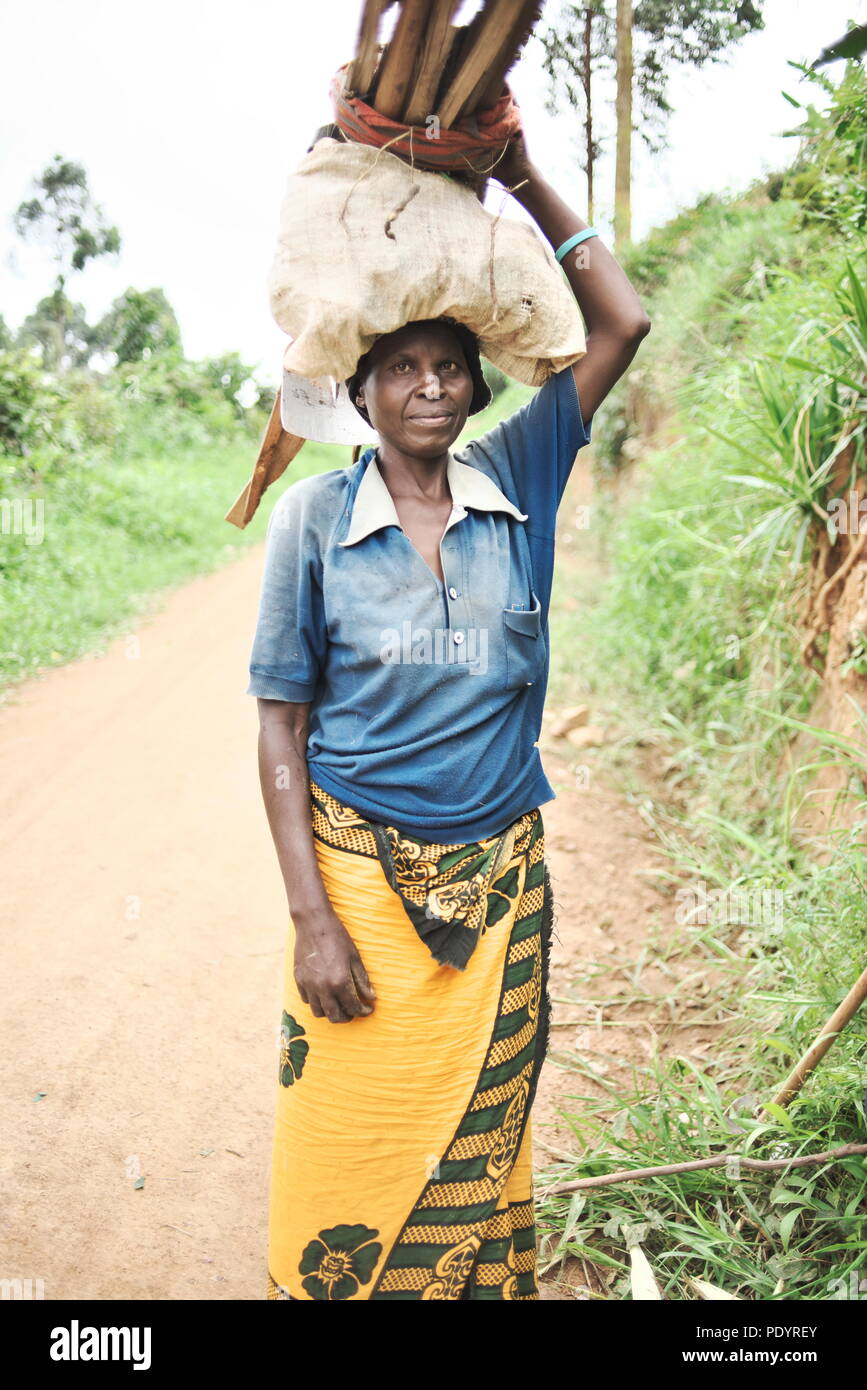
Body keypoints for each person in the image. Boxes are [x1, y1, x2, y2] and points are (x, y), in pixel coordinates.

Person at [247, 123, 650, 1301]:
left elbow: (619, 321)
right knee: (347, 1143)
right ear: (361, 392)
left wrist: (518, 168)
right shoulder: (313, 526)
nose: (431, 386)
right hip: (361, 893)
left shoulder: (519, 475)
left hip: (502, 889)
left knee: (483, 1141)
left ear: (477, 384)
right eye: (404, 368)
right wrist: (312, 919)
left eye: (450, 366)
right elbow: (280, 724)